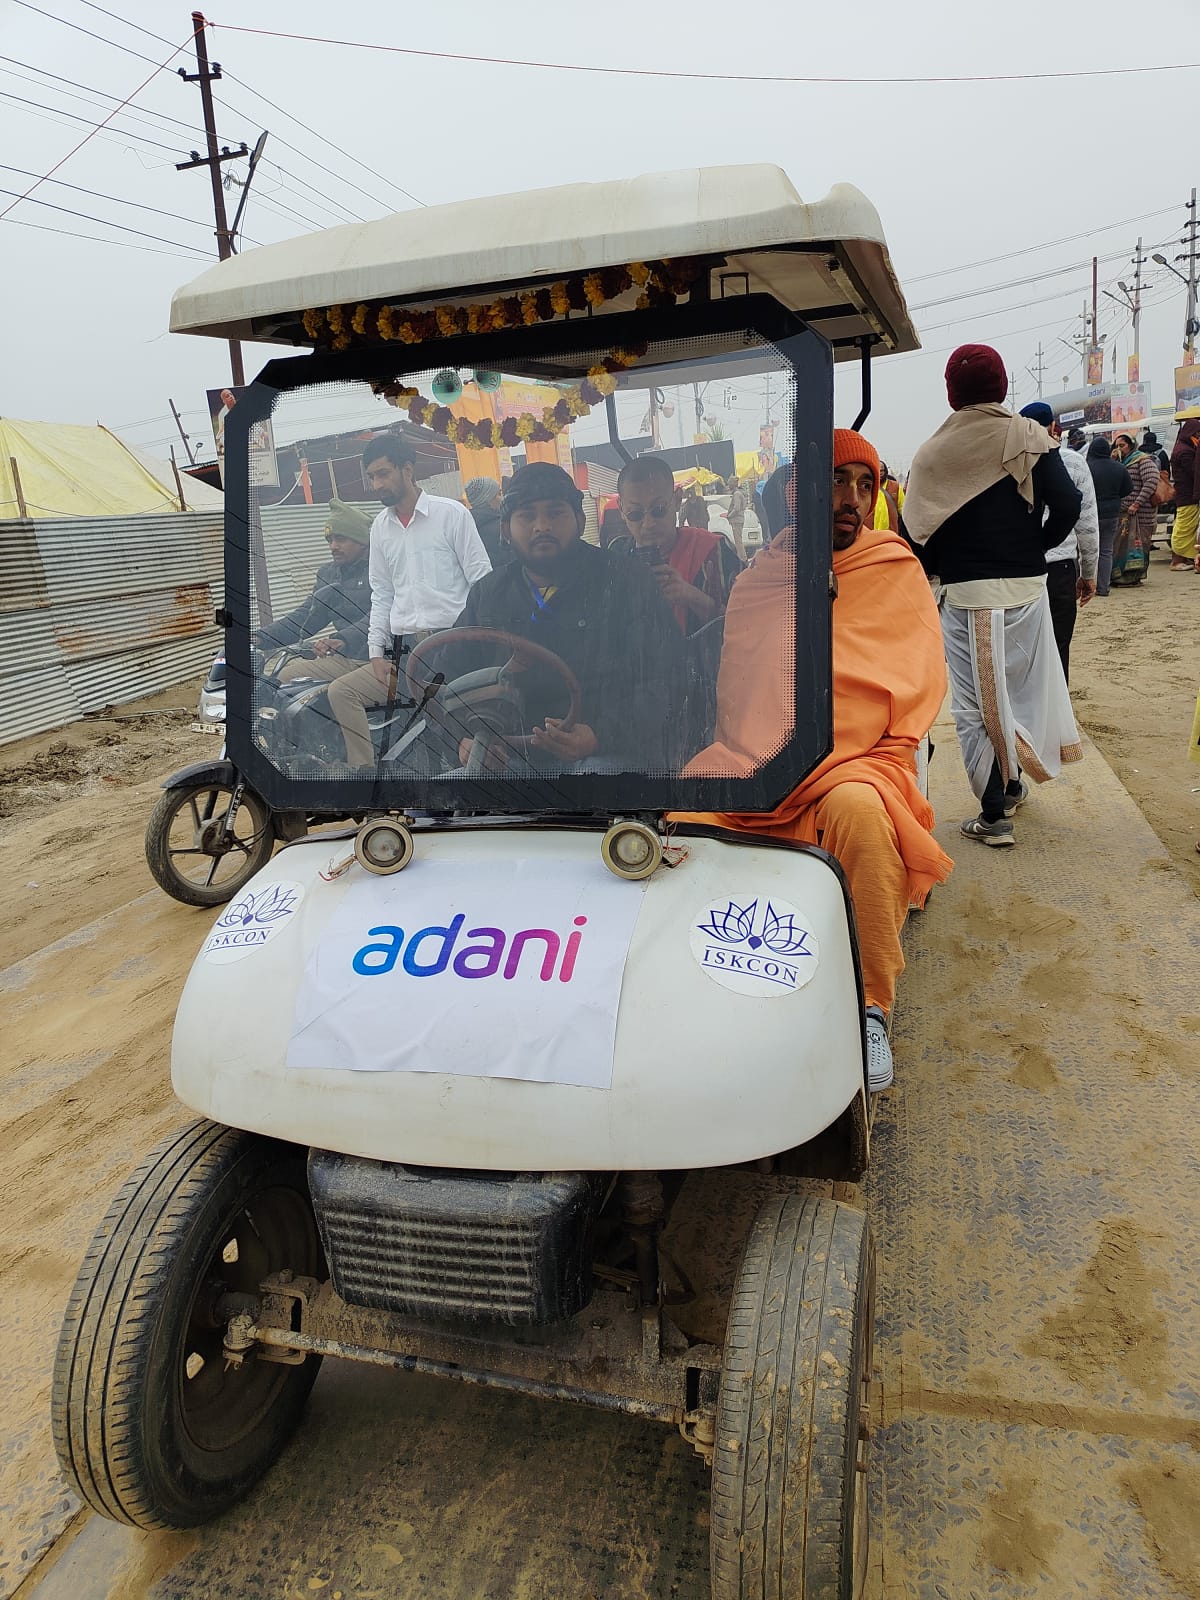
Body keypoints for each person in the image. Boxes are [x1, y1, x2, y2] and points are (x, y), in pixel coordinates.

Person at [675, 430, 953, 1092]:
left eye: (864, 483)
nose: (851, 499)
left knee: (857, 811)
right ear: (800, 491)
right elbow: (742, 692)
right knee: (678, 808)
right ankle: (685, 978)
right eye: (836, 481)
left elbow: (912, 679)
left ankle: (869, 1006)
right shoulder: (761, 576)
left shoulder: (893, 566)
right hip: (756, 758)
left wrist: (842, 746)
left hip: (859, 761)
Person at [904, 343, 1083, 848]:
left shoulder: (934, 452)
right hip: (1029, 590)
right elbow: (1067, 503)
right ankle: (1013, 785)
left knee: (975, 705)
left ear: (951, 391)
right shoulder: (1028, 437)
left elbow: (918, 532)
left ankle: (993, 813)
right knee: (1017, 694)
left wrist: (945, 570)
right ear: (1002, 385)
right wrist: (1035, 546)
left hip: (968, 595)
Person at [450, 462, 684, 771]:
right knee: (436, 801)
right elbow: (441, 679)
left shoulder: (628, 581)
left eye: (556, 513)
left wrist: (600, 734)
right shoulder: (487, 595)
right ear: (506, 530)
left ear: (579, 519)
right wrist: (463, 739)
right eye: (527, 515)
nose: (542, 526)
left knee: (595, 776)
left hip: (608, 756)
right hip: (511, 761)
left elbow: (668, 681)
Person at [327, 436, 492, 769]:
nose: (377, 484)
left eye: (383, 474)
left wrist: (480, 644)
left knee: (458, 744)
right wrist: (376, 653)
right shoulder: (380, 528)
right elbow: (382, 593)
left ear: (407, 469)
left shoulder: (451, 515)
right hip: (405, 653)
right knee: (342, 692)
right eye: (371, 476)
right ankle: (367, 787)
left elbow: (483, 584)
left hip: (453, 646)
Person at [611, 454, 741, 634]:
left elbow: (748, 627)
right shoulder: (617, 557)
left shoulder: (712, 551)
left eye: (659, 510)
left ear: (678, 500)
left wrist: (692, 596)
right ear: (621, 509)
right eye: (635, 513)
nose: (648, 524)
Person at [1018, 402, 1098, 682]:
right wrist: (1089, 574)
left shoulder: (1009, 464)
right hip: (1060, 568)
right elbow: (1086, 524)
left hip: (1020, 570)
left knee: (1023, 649)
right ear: (1054, 427)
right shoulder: (1073, 461)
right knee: (1058, 646)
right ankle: (1057, 715)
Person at [256, 498, 373, 683]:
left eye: (341, 539)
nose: (333, 546)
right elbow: (306, 617)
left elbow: (382, 615)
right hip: (345, 655)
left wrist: (342, 639)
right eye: (330, 540)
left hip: (375, 658)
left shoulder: (380, 569)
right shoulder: (329, 573)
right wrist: (260, 638)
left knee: (286, 679)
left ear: (362, 541)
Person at [1084, 438, 1134, 596]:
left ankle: (1083, 585)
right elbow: (1128, 489)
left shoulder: (1087, 467)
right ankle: (1103, 588)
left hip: (1090, 513)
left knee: (1085, 550)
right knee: (1106, 550)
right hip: (1112, 513)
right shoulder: (1119, 468)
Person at [1110, 432, 1159, 586]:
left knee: (1139, 545)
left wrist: (1137, 503)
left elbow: (1151, 481)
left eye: (1122, 445)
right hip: (1126, 513)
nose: (1119, 449)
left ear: (1131, 445)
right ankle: (1123, 576)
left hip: (1141, 513)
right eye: (1117, 446)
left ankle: (1134, 577)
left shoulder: (1142, 460)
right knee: (1122, 545)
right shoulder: (1122, 462)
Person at [1168, 407, 1200, 574]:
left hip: (1185, 494)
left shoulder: (1181, 447)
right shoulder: (1185, 451)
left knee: (1187, 527)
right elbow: (1194, 473)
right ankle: (1176, 560)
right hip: (1187, 495)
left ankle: (1183, 558)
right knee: (1184, 527)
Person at [464, 476, 509, 569]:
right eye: (499, 494)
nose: (502, 498)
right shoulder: (501, 527)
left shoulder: (466, 527)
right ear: (488, 499)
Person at [725, 476, 748, 559]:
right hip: (738, 520)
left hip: (736, 520)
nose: (728, 486)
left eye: (729, 484)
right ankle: (742, 557)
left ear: (733, 484)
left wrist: (729, 515)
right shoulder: (738, 493)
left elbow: (736, 508)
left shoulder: (737, 494)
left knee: (738, 542)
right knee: (738, 541)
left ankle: (743, 558)